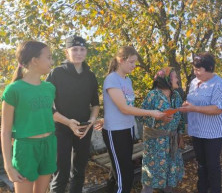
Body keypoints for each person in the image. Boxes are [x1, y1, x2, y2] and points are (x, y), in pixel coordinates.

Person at [99, 46, 165, 193]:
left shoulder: (127, 80)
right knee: (125, 176)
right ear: (121, 61)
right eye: (131, 62)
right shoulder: (112, 79)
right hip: (115, 132)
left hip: (128, 128)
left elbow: (125, 105)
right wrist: (151, 113)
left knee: (117, 172)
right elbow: (124, 108)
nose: (134, 66)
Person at [46, 36, 100, 193]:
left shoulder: (90, 76)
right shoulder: (56, 73)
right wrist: (68, 122)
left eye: (82, 49)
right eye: (74, 49)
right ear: (66, 52)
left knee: (79, 171)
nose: (79, 53)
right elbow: (47, 106)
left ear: (86, 52)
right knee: (61, 173)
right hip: (61, 128)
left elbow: (95, 104)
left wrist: (91, 121)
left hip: (84, 128)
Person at [1, 41, 56, 193]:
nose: (52, 62)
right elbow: (5, 131)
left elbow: (50, 115)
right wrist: (8, 166)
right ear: (34, 60)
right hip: (26, 149)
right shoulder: (14, 90)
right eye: (49, 57)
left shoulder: (50, 88)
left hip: (49, 145)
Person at [179, 52, 222, 193]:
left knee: (212, 165)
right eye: (194, 69)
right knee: (201, 164)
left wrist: (194, 108)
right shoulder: (194, 82)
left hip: (213, 132)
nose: (196, 72)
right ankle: (202, 189)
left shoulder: (218, 84)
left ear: (210, 68)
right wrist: (187, 104)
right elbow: (194, 100)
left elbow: (218, 109)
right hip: (197, 130)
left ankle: (214, 190)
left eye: (199, 70)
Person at [138, 67, 185, 193]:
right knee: (151, 173)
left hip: (172, 140)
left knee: (170, 169)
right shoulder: (152, 95)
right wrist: (159, 119)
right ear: (167, 80)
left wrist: (180, 136)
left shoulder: (176, 95)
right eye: (175, 77)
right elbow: (142, 117)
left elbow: (180, 118)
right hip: (155, 143)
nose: (177, 79)